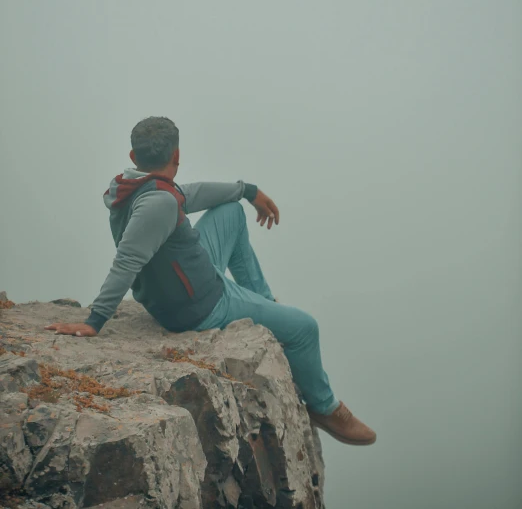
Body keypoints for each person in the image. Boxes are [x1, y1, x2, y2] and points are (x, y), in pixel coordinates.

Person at [46, 117, 376, 446]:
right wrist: (95, 320)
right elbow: (127, 261)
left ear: (134, 158)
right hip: (201, 304)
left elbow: (189, 194)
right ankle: (326, 408)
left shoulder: (134, 185)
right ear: (177, 155)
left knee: (230, 211)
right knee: (305, 328)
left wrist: (247, 191)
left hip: (189, 276)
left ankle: (263, 303)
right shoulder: (158, 203)